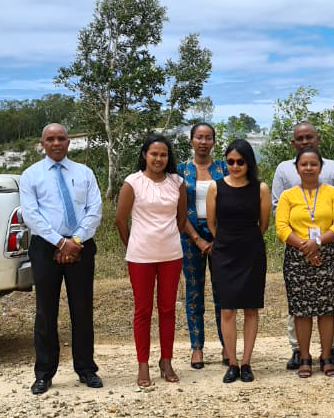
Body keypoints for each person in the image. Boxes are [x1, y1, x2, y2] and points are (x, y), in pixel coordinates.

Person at [20, 123, 103, 395]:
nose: (56, 143)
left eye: (61, 138)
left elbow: (95, 209)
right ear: (42, 144)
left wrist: (74, 241)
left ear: (68, 142)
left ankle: (86, 369)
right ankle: (44, 373)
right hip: (46, 248)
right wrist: (59, 242)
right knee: (46, 311)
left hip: (81, 246)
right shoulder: (31, 175)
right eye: (50, 139)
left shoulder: (84, 173)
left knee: (82, 309)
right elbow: (31, 214)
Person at [271, 122, 334, 370]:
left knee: (328, 308)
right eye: (304, 164)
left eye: (313, 164)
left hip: (329, 254)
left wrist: (317, 243)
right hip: (297, 255)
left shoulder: (333, 193)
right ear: (297, 168)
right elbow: (281, 227)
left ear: (320, 167)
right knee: (301, 309)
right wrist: (306, 247)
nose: (308, 168)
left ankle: (326, 357)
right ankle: (304, 357)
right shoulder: (288, 195)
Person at [115, 134, 187, 385]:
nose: (158, 159)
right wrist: (134, 244)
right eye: (154, 154)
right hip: (140, 256)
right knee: (143, 311)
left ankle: (166, 361)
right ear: (145, 155)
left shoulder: (177, 182)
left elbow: (181, 219)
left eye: (163, 154)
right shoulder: (132, 182)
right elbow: (120, 220)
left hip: (171, 254)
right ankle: (143, 364)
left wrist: (167, 237)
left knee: (168, 310)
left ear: (168, 157)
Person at [206, 139, 271, 383]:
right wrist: (225, 241)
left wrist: (246, 240)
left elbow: (263, 224)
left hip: (251, 251)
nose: (234, 166)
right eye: (230, 161)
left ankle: (246, 363)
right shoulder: (215, 187)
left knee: (251, 308)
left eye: (240, 162)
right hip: (224, 252)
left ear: (248, 163)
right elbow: (211, 223)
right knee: (227, 309)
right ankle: (232, 363)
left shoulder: (260, 188)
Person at [177, 122, 228, 369]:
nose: (203, 142)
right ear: (191, 140)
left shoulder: (224, 168)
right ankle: (196, 347)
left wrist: (218, 237)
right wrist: (197, 239)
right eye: (199, 137)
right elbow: (177, 208)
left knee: (223, 292)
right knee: (194, 292)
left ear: (214, 142)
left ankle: (227, 345)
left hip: (221, 237)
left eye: (208, 138)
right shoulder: (181, 170)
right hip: (190, 236)